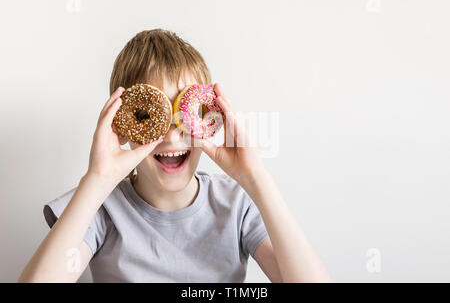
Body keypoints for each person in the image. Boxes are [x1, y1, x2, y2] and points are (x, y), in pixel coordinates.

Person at [18, 29, 331, 283]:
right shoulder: (99, 208)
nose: (171, 134)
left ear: (211, 116)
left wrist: (256, 179)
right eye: (148, 116)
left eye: (186, 113)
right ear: (120, 123)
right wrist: (97, 180)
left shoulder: (236, 203)